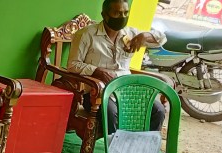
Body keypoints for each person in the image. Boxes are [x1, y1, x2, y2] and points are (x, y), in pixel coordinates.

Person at [69, 0, 168, 134]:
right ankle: (116, 147)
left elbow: (162, 39)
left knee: (158, 110)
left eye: (125, 13)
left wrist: (145, 35)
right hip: (97, 94)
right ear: (105, 15)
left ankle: (144, 146)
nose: (122, 17)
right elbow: (73, 64)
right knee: (111, 112)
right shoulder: (86, 34)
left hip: (127, 92)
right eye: (117, 13)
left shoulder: (131, 34)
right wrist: (98, 71)